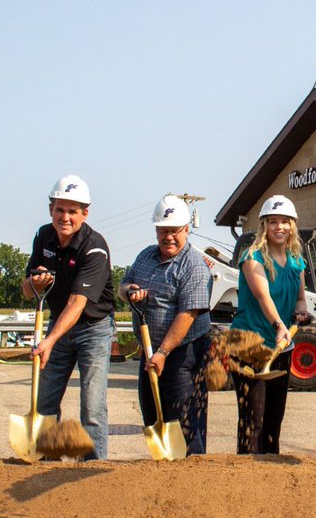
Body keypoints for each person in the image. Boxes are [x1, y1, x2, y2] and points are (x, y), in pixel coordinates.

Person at [23, 175, 115, 460]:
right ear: (51, 209)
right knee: (45, 399)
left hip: (94, 329)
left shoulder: (94, 247)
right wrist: (35, 283)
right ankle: (46, 462)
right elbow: (27, 290)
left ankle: (93, 469)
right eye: (60, 209)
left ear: (84, 214)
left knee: (92, 405)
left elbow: (77, 303)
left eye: (72, 211)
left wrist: (48, 341)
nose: (65, 217)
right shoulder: (43, 236)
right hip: (57, 325)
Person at [122, 196, 213, 455]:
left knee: (185, 418)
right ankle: (161, 470)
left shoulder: (194, 265)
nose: (169, 237)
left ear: (186, 229)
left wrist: (163, 352)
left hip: (185, 352)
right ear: (156, 231)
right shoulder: (145, 256)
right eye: (163, 230)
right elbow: (123, 285)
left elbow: (187, 315)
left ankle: (191, 470)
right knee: (152, 412)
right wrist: (130, 291)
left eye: (174, 230)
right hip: (150, 352)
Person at [229, 195, 310, 455]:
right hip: (249, 345)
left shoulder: (297, 261)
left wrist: (300, 312)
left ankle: (271, 475)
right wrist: (279, 325)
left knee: (274, 419)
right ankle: (246, 479)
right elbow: (263, 296)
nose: (279, 227)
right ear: (264, 225)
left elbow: (299, 298)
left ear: (292, 225)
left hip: (281, 347)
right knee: (253, 420)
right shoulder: (252, 257)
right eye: (273, 221)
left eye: (285, 222)